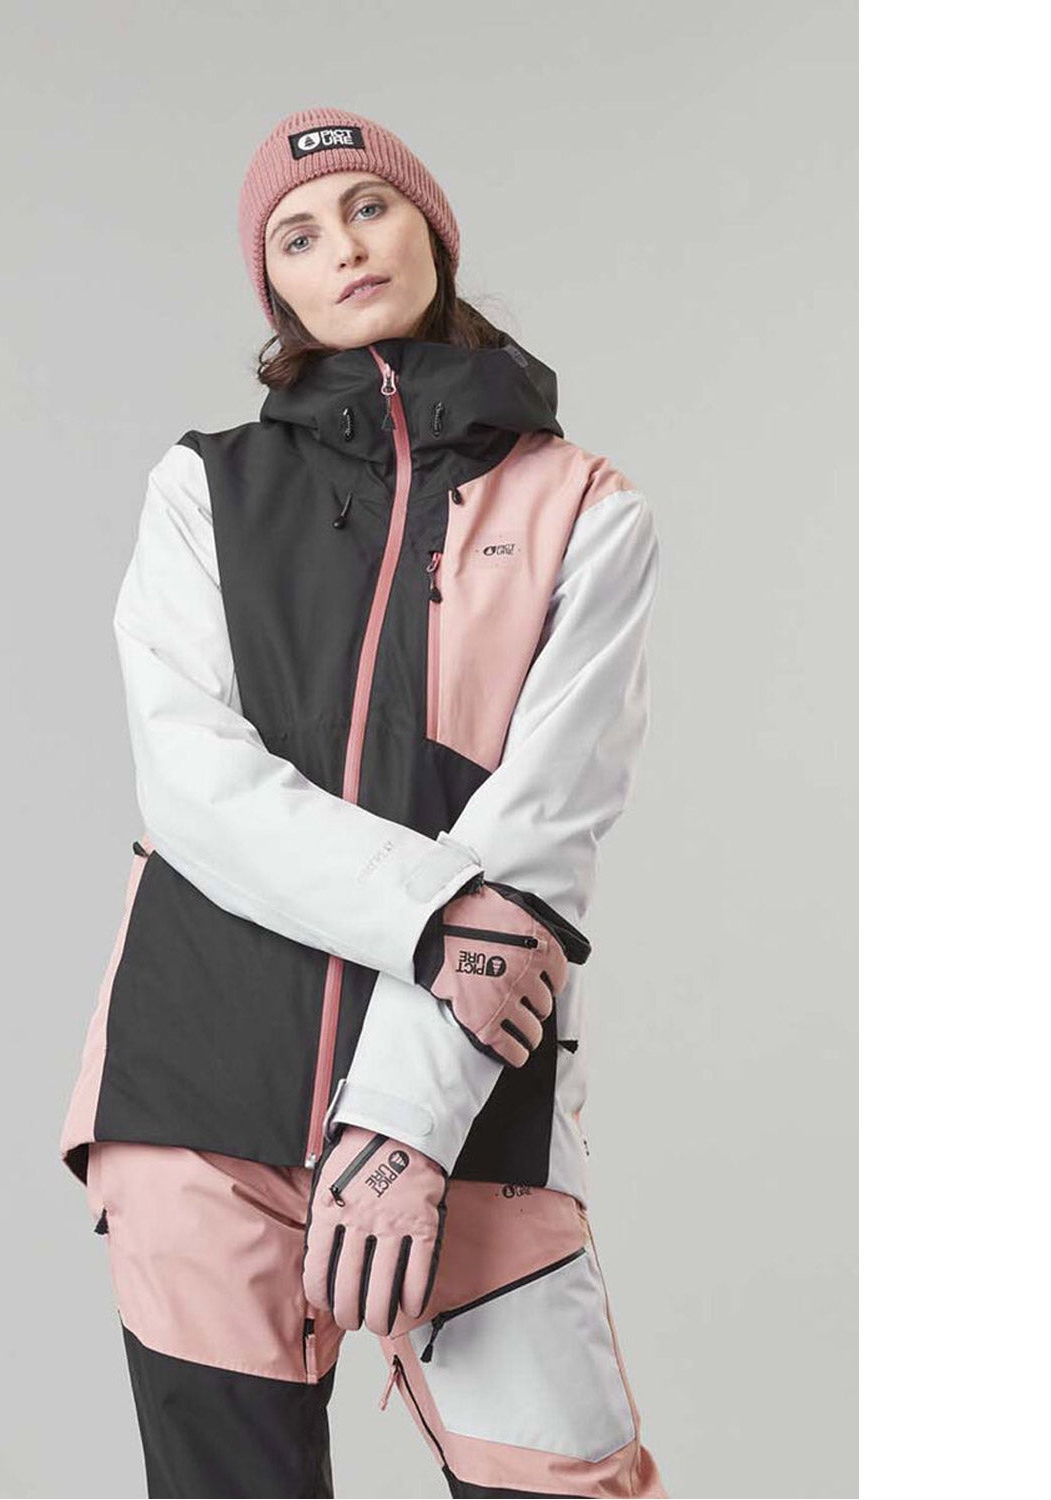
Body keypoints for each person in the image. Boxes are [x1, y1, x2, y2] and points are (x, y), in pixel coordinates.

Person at [58, 105, 669, 1499]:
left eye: (368, 207)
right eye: (297, 234)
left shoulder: (587, 511)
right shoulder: (203, 491)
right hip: (200, 1094)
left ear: (431, 228)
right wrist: (440, 914)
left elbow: (543, 830)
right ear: (273, 284)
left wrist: (403, 1120)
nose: (341, 246)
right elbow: (195, 787)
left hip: (468, 1111)